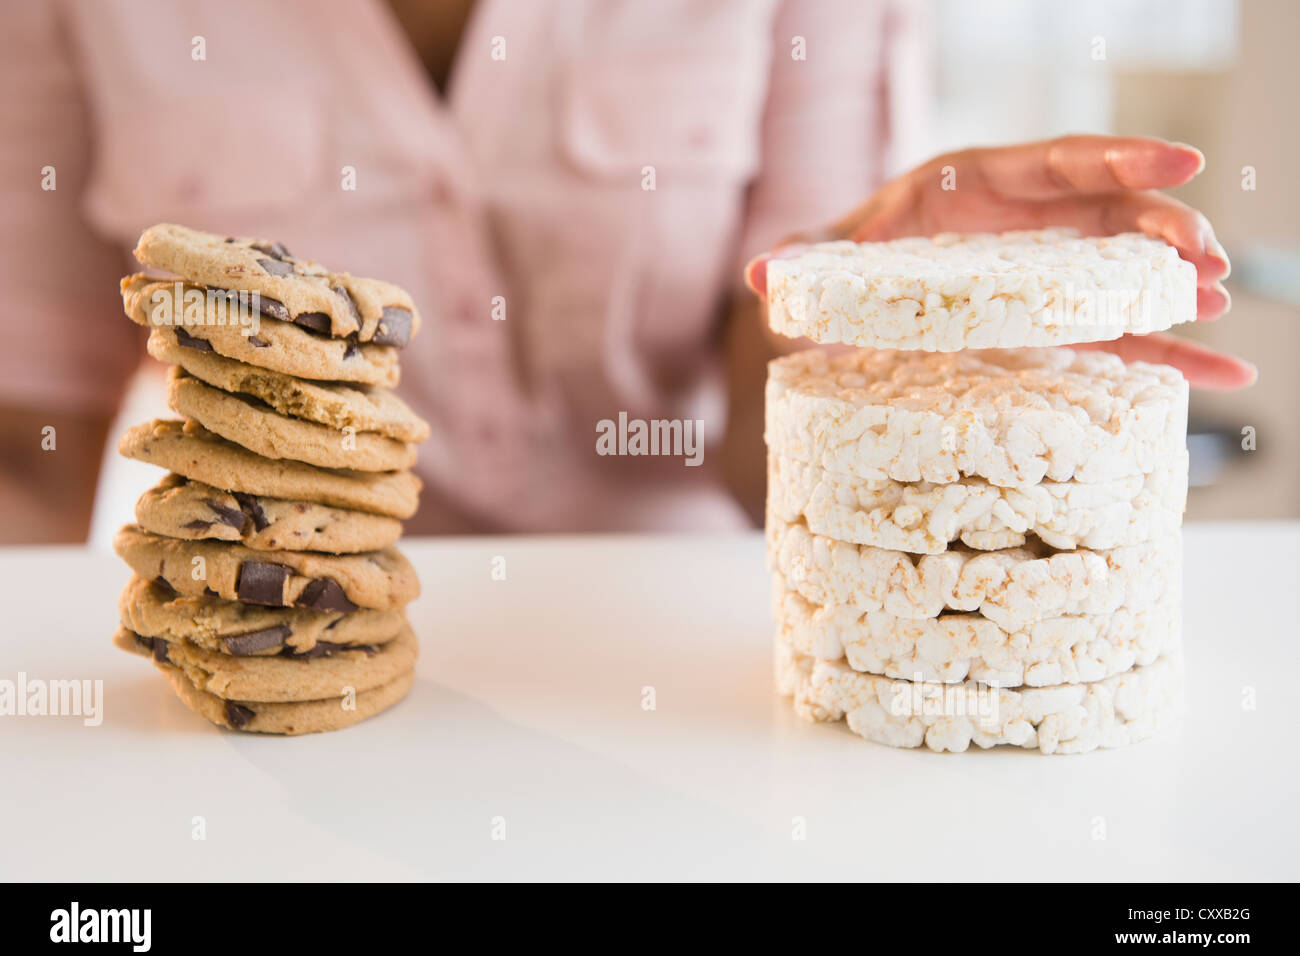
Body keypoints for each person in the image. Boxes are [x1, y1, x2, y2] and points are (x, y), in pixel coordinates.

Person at [0, 0, 1249, 543]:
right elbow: (28, 452)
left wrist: (879, 309)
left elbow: (768, 453)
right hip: (276, 678)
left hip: (692, 657)